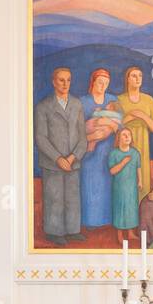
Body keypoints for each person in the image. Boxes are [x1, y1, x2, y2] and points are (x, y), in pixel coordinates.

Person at [33, 67, 87, 245]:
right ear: (54, 82)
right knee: (54, 197)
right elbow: (40, 138)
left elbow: (82, 137)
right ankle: (54, 232)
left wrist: (72, 157)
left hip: (73, 162)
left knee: (72, 197)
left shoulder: (77, 104)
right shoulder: (43, 107)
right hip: (52, 163)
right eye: (61, 80)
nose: (65, 84)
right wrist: (58, 158)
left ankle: (72, 230)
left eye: (68, 80)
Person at [79, 68, 119, 230]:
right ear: (93, 82)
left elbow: (118, 123)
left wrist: (107, 127)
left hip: (107, 150)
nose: (103, 86)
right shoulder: (82, 101)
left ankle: (106, 219)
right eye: (100, 82)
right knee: (89, 184)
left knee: (106, 183)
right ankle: (89, 221)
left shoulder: (112, 99)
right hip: (88, 153)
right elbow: (78, 128)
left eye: (106, 83)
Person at [118, 66, 153, 198]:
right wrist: (130, 117)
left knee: (141, 182)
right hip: (124, 146)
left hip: (142, 144)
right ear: (127, 79)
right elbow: (114, 127)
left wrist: (143, 116)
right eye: (134, 76)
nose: (138, 79)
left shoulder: (149, 100)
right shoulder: (119, 100)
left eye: (140, 76)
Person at [108, 128, 142, 244]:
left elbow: (138, 168)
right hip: (120, 187)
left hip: (132, 187)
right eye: (124, 135)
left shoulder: (135, 153)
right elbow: (112, 171)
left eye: (129, 135)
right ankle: (120, 234)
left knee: (131, 208)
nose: (127, 137)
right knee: (120, 209)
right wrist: (123, 162)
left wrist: (140, 181)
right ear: (118, 139)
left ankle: (131, 232)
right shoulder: (114, 153)